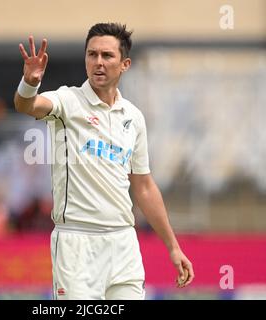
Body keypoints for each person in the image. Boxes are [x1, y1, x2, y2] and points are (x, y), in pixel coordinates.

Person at [14, 22, 194, 300]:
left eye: (107, 56)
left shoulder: (133, 117)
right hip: (77, 243)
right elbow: (26, 106)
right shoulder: (67, 101)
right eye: (92, 54)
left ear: (125, 64)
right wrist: (30, 82)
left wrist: (173, 246)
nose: (98, 62)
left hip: (123, 243)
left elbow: (144, 186)